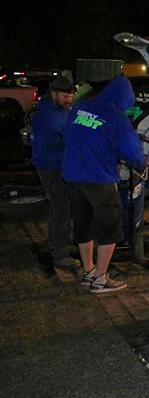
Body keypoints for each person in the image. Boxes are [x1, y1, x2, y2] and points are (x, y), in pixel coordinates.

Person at [62, 76, 146, 293]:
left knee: (83, 222)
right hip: (99, 178)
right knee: (109, 225)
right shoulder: (115, 117)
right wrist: (140, 165)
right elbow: (131, 150)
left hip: (72, 175)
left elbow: (67, 134)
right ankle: (100, 279)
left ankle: (88, 271)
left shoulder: (80, 107)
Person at [30, 76, 77, 269]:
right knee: (61, 207)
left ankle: (61, 240)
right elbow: (49, 147)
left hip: (61, 165)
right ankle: (59, 252)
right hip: (50, 167)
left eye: (71, 96)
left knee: (66, 205)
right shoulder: (46, 116)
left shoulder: (61, 110)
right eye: (65, 96)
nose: (69, 100)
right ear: (54, 93)